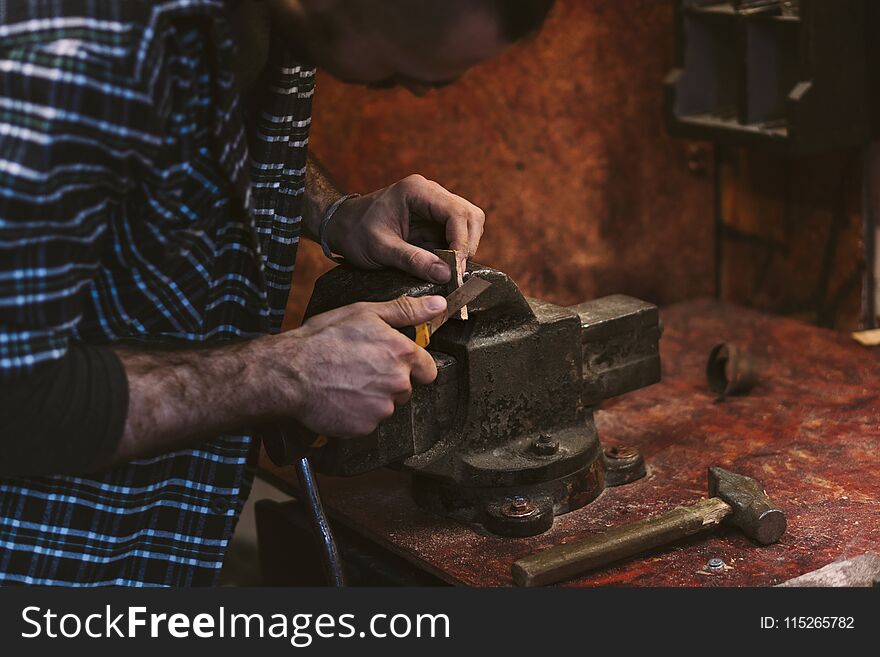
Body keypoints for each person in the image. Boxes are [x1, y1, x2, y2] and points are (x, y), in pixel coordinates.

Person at [0, 0, 555, 585]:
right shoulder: (69, 60)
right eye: (400, 69)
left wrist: (333, 212)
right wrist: (286, 372)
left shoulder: (281, 21)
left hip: (167, 535)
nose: (418, 94)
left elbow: (199, 142)